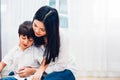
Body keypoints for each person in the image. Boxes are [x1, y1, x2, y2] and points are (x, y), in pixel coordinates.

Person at [31, 6, 77, 80]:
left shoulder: (62, 37)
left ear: (51, 29)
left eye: (42, 29)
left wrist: (37, 70)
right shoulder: (31, 32)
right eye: (35, 25)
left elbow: (61, 66)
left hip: (65, 70)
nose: (36, 31)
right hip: (43, 69)